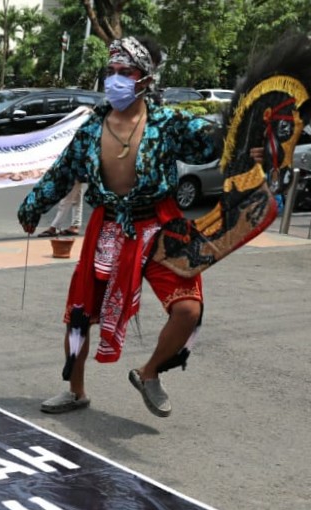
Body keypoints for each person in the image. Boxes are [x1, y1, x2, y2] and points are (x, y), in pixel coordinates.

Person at [17, 36, 219, 418]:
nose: (115, 80)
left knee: (189, 310)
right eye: (110, 72)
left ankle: (149, 373)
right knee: (79, 316)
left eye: (125, 72)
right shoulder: (92, 129)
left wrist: (250, 143)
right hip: (108, 227)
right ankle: (75, 391)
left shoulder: (169, 123)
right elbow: (61, 174)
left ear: (145, 79)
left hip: (161, 226)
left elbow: (217, 144)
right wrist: (31, 207)